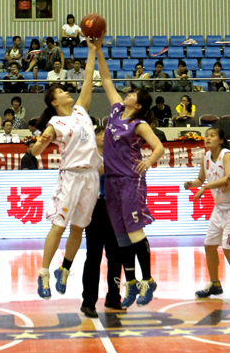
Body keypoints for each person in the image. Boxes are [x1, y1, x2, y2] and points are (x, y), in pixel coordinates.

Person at [95, 33, 165, 308]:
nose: (128, 93)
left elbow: (159, 147)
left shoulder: (139, 124)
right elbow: (106, 80)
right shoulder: (115, 112)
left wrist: (148, 161)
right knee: (121, 236)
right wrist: (98, 50)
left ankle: (148, 280)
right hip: (111, 182)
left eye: (133, 94)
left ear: (139, 104)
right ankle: (132, 283)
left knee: (135, 233)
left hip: (129, 181)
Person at [31, 34, 101, 300]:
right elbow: (36, 152)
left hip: (91, 177)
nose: (65, 92)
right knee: (59, 226)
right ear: (54, 102)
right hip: (70, 176)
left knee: (78, 228)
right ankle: (44, 272)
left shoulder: (81, 111)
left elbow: (88, 79)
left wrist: (92, 50)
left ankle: (65, 268)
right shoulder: (54, 124)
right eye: (60, 92)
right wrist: (40, 142)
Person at [185, 128, 230, 300]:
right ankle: (215, 284)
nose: (208, 138)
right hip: (219, 208)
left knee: (228, 249)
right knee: (209, 245)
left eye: (212, 136)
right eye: (206, 136)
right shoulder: (206, 157)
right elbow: (200, 179)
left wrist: (205, 188)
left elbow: (229, 177)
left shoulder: (226, 155)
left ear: (221, 139)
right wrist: (192, 184)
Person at [81, 125, 122, 318]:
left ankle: (113, 297)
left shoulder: (117, 155)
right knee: (94, 255)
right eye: (99, 133)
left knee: (115, 255)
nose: (104, 136)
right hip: (95, 207)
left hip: (114, 207)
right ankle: (88, 302)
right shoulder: (88, 156)